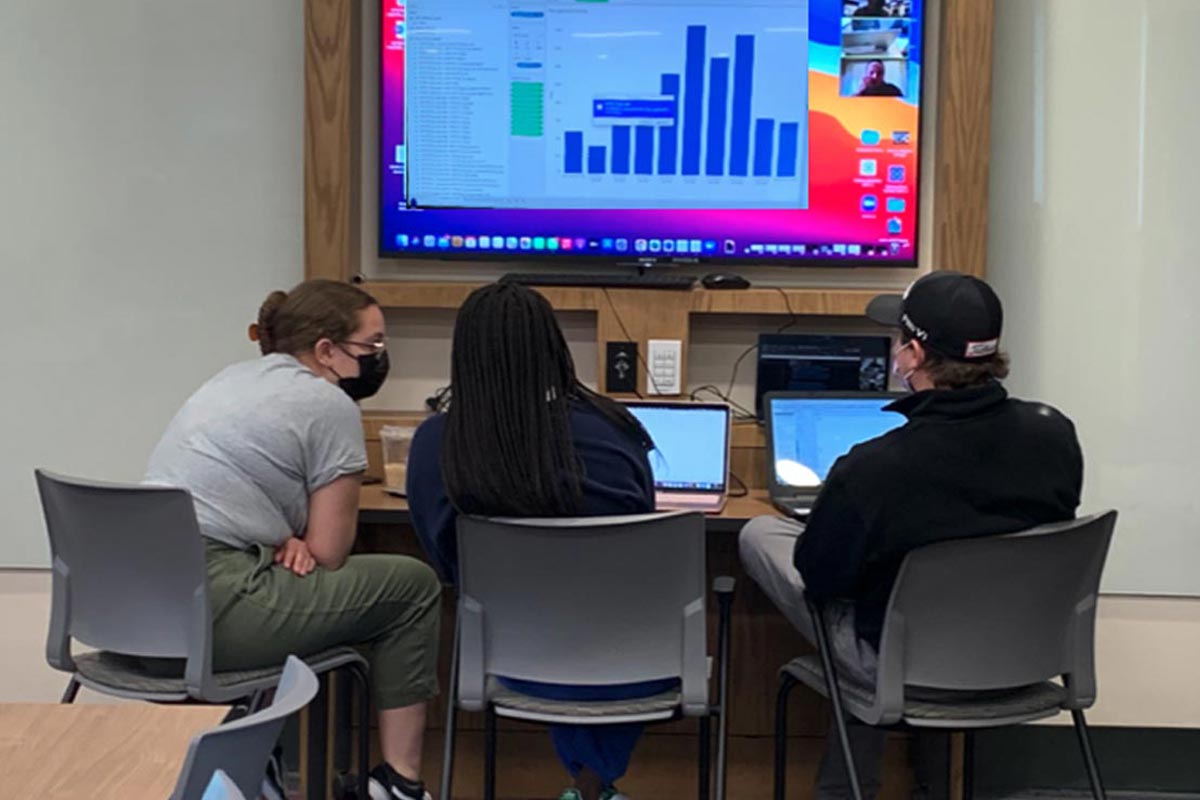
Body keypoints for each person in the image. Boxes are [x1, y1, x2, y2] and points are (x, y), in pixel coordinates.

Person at [738, 271, 1083, 799]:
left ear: (915, 355)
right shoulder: (1054, 434)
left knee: (764, 535)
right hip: (1023, 657)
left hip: (906, 665)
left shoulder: (874, 469)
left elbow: (823, 577)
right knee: (883, 587)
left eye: (900, 342)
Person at [145, 279, 441, 800]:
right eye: (372, 346)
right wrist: (296, 539)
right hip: (208, 610)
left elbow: (227, 485)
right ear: (326, 350)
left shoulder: (231, 380)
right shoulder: (329, 405)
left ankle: (259, 767)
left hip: (136, 616)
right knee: (412, 586)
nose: (379, 357)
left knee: (288, 581)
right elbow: (328, 553)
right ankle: (399, 783)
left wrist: (282, 536)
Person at [406, 281, 663, 800]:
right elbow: (644, 541)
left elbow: (445, 562)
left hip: (507, 658)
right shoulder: (614, 430)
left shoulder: (437, 443)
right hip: (636, 662)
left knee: (556, 624)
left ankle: (590, 787)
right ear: (554, 347)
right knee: (616, 614)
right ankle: (592, 787)